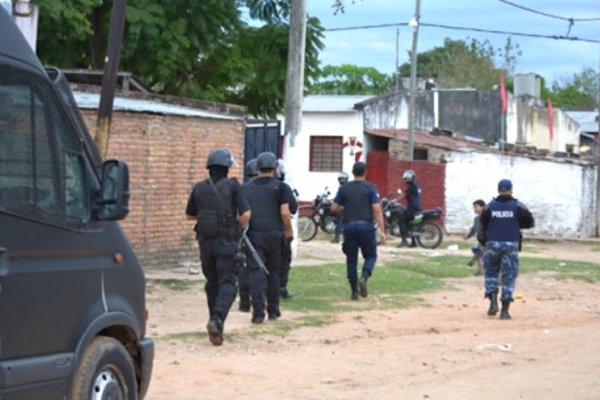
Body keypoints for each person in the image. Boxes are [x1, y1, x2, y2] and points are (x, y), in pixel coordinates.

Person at [185, 148, 251, 346]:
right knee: (228, 283)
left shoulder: (199, 187)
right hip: (227, 243)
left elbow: (189, 215)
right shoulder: (233, 186)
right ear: (227, 167)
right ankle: (217, 319)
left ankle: (216, 327)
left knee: (212, 283)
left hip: (205, 243)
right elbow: (246, 214)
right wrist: (233, 224)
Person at [241, 151, 294, 323]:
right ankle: (273, 310)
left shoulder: (246, 187)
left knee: (255, 273)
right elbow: (285, 212)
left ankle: (257, 313)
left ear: (257, 168)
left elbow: (240, 213)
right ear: (275, 168)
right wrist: (289, 231)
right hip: (275, 235)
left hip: (253, 235)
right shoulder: (281, 187)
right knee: (274, 273)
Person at [477, 179, 534, 320]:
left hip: (492, 244)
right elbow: (530, 222)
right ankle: (505, 311)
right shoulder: (518, 206)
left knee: (491, 273)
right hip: (511, 245)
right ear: (511, 190)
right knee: (508, 276)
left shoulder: (489, 207)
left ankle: (493, 302)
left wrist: (482, 242)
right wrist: (515, 223)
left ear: (498, 190)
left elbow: (482, 226)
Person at [331, 161, 386, 300]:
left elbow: (333, 208)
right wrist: (382, 230)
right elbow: (377, 209)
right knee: (371, 256)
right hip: (366, 226)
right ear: (365, 172)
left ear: (352, 172)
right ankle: (364, 276)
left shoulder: (344, 188)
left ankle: (354, 291)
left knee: (351, 259)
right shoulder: (370, 188)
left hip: (349, 227)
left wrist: (344, 208)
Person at [238, 158, 258, 313]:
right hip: (259, 232)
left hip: (243, 232)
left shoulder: (241, 189)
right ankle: (258, 298)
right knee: (257, 268)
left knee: (243, 268)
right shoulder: (265, 188)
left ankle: (244, 301)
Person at [277, 159, 298, 300]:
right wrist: (289, 229)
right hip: (280, 230)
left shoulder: (252, 186)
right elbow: (292, 209)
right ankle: (281, 288)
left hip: (258, 230)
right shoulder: (283, 188)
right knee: (284, 261)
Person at [397, 169, 421, 248]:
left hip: (412, 208)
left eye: (406, 178)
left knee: (401, 219)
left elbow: (404, 195)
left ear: (410, 178)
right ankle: (413, 242)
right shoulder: (416, 185)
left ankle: (404, 241)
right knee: (409, 222)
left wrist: (395, 200)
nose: (405, 179)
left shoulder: (412, 186)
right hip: (415, 208)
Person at [464, 199, 486, 276]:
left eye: (476, 207)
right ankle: (480, 270)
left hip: (488, 241)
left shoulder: (489, 218)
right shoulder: (476, 219)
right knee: (477, 251)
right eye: (474, 207)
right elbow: (473, 229)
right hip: (480, 241)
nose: (474, 209)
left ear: (483, 207)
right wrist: (467, 236)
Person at [330, 171, 348, 244]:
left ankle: (337, 238)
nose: (342, 180)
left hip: (342, 208)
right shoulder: (345, 187)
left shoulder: (342, 188)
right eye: (341, 179)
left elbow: (339, 199)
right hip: (344, 207)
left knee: (339, 222)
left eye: (343, 179)